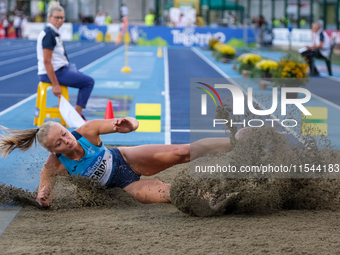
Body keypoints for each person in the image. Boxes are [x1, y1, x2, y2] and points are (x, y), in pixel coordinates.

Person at [0, 118, 242, 209]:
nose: (67, 140)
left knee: (181, 152)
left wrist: (129, 124)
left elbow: (127, 123)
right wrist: (43, 197)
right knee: (167, 192)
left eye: (64, 133)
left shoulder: (87, 131)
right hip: (123, 186)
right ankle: (218, 199)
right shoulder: (54, 166)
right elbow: (45, 195)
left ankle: (235, 141)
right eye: (60, 143)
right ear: (53, 151)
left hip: (127, 159)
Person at [36, 2, 94, 120]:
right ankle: (77, 116)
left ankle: (76, 114)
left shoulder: (53, 32)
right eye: (57, 17)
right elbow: (47, 61)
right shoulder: (49, 35)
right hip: (54, 73)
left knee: (82, 77)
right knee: (88, 82)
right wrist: (56, 85)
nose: (60, 20)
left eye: (62, 17)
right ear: (49, 18)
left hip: (60, 70)